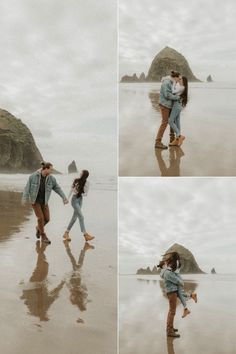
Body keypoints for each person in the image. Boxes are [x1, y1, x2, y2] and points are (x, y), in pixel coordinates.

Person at [22, 161, 68, 244]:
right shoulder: (33, 176)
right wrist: (24, 198)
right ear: (46, 169)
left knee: (47, 219)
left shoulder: (51, 179)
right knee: (40, 218)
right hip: (35, 201)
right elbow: (27, 187)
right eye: (51, 169)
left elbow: (57, 188)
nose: (52, 171)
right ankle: (43, 236)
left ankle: (38, 228)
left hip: (44, 201)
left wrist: (64, 197)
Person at [63, 170, 94, 242]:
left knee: (74, 218)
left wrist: (79, 193)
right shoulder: (76, 180)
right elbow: (71, 190)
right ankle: (85, 234)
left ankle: (66, 233)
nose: (80, 173)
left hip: (80, 200)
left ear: (84, 175)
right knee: (81, 216)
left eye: (81, 172)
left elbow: (86, 194)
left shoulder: (87, 183)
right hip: (74, 200)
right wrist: (67, 199)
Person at [155, 70, 181, 149]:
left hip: (169, 105)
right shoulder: (166, 83)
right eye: (178, 78)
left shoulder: (171, 82)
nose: (179, 80)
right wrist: (178, 97)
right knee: (164, 123)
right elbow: (167, 95)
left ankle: (172, 140)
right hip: (164, 105)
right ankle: (158, 142)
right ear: (175, 77)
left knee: (171, 121)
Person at [168, 76, 188, 146]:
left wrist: (174, 82)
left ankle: (179, 136)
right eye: (179, 79)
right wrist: (175, 82)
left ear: (183, 81)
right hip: (178, 105)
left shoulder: (182, 87)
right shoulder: (181, 87)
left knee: (170, 121)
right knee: (177, 122)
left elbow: (173, 91)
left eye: (180, 79)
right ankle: (177, 140)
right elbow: (175, 90)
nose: (179, 80)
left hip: (177, 105)